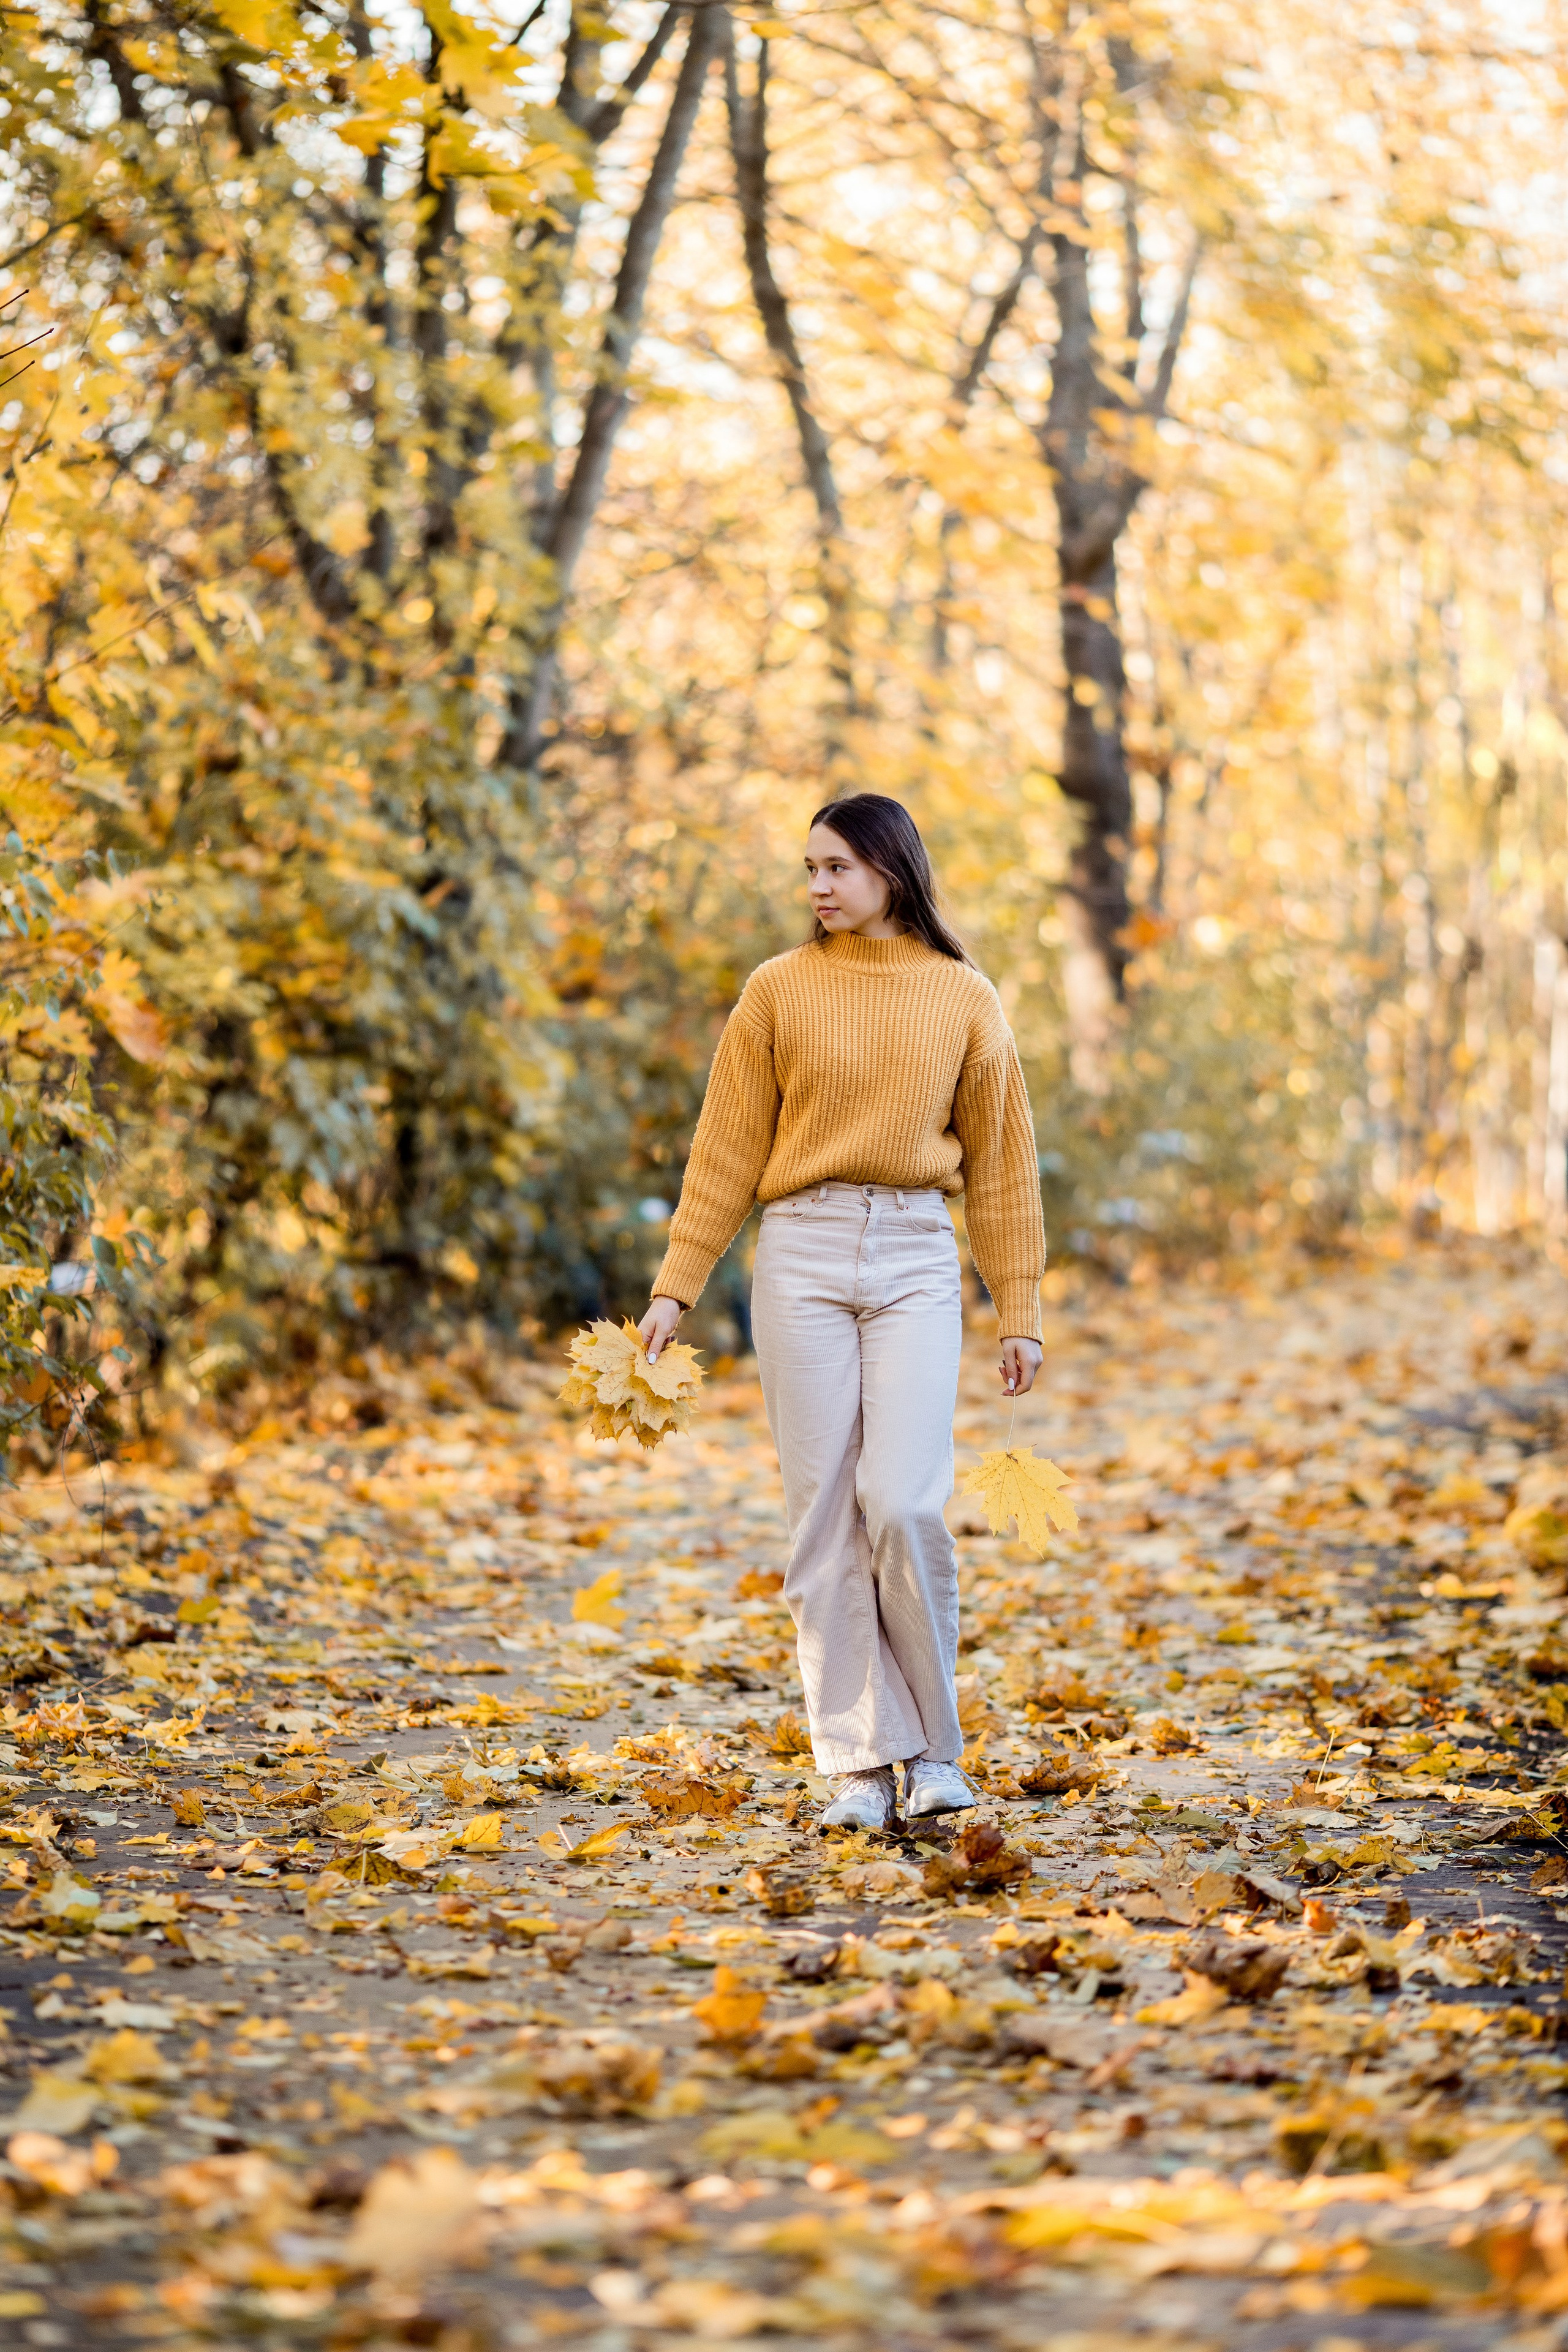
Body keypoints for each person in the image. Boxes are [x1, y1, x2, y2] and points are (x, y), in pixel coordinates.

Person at [638, 794, 1046, 1830]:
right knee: (821, 1514)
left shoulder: (963, 997)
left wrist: (1019, 1309)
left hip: (914, 1250)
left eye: (838, 868)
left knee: (904, 1500)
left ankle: (938, 1754)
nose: (818, 887)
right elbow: (726, 1148)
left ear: (891, 872)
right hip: (802, 1255)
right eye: (810, 868)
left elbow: (1003, 1165)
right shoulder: (776, 991)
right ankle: (862, 1764)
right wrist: (676, 1285)